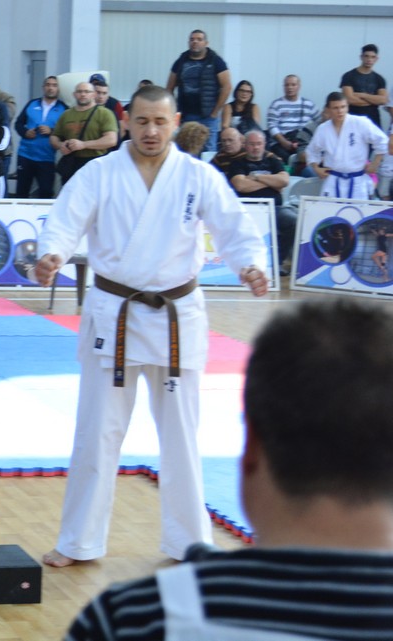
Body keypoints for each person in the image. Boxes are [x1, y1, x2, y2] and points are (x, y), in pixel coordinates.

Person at [33, 85, 269, 567]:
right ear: (127, 122)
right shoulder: (99, 173)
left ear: (175, 122)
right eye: (142, 121)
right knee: (96, 433)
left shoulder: (197, 176)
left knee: (182, 436)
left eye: (161, 122)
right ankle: (79, 541)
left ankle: (189, 542)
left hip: (177, 317)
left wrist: (250, 265)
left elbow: (234, 228)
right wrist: (52, 254)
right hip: (114, 313)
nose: (151, 131)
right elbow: (64, 221)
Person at [64, 296, 393, 641]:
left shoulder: (132, 619)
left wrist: (249, 266)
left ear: (250, 447)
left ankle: (182, 536)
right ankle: (81, 539)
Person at [223, 130, 297, 273]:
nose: (256, 147)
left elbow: (284, 181)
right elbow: (241, 185)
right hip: (248, 209)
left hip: (274, 208)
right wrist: (272, 183)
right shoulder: (237, 163)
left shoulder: (273, 161)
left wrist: (256, 177)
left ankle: (277, 262)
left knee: (293, 220)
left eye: (259, 144)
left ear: (264, 144)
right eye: (252, 144)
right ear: (245, 145)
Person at [306, 92, 389, 200]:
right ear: (328, 109)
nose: (340, 111)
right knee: (329, 209)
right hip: (333, 180)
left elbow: (382, 140)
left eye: (343, 107)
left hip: (357, 181)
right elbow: (312, 151)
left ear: (347, 107)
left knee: (358, 210)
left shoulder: (360, 123)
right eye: (335, 108)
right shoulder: (323, 129)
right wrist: (316, 168)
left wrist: (375, 163)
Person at [166, 30, 230, 152]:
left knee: (209, 150)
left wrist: (215, 112)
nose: (195, 42)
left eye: (199, 39)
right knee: (186, 149)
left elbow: (227, 87)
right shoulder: (181, 61)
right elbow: (169, 88)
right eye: (192, 39)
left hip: (208, 115)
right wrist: (174, 110)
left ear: (206, 43)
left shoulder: (216, 61)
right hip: (186, 114)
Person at [52, 82, 118, 183]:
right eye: (79, 91)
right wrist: (61, 145)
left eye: (87, 91)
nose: (83, 94)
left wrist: (84, 145)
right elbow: (54, 137)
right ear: (74, 94)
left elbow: (111, 140)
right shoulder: (66, 114)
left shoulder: (105, 113)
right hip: (71, 163)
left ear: (94, 94)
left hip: (95, 163)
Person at [13, 76, 66, 198]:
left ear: (58, 89)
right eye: (48, 85)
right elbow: (18, 123)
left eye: (54, 85)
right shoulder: (32, 104)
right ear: (43, 87)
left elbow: (66, 132)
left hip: (47, 158)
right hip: (26, 155)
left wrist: (51, 131)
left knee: (46, 193)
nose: (50, 88)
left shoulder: (64, 108)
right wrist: (25, 132)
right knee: (21, 192)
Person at [341, 43, 388, 126]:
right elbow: (349, 99)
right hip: (353, 120)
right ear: (361, 57)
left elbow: (383, 100)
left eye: (373, 57)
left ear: (376, 59)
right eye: (366, 56)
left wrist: (362, 95)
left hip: (373, 121)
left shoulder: (379, 79)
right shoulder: (348, 76)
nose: (369, 59)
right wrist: (373, 100)